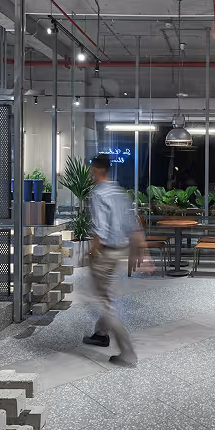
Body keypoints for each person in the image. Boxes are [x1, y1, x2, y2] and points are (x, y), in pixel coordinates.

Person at [80, 154, 151, 366]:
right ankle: (101, 333)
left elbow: (100, 230)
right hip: (120, 250)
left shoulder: (98, 194)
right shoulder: (119, 192)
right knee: (106, 294)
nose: (91, 174)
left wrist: (91, 253)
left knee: (105, 302)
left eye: (92, 170)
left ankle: (127, 352)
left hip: (105, 252)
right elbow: (133, 225)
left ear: (97, 170)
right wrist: (144, 253)